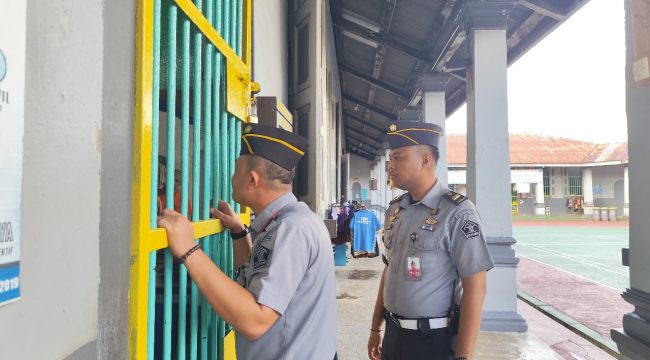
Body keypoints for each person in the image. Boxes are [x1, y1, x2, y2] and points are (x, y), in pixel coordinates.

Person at [158, 123, 337, 360]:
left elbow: (256, 321)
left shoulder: (289, 230)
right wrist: (239, 233)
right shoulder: (291, 220)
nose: (232, 178)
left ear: (252, 179)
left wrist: (190, 250)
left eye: (236, 170)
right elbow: (259, 280)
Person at [367, 121, 494, 360]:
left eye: (398, 158)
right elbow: (389, 269)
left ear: (425, 160)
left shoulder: (457, 213)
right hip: (394, 337)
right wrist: (376, 327)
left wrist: (464, 356)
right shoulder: (396, 210)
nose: (391, 167)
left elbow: (476, 287)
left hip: (431, 343)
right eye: (390, 160)